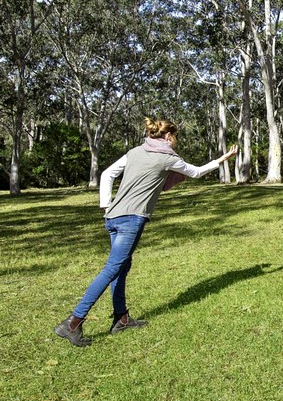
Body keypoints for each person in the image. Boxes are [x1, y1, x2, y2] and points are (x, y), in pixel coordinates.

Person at [54, 117, 238, 347]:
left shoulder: (134, 152)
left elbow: (107, 174)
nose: (176, 142)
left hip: (112, 217)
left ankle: (121, 319)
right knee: (112, 268)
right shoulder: (167, 157)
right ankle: (72, 323)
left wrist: (105, 204)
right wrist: (222, 159)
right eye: (176, 138)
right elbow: (197, 172)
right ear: (169, 137)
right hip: (132, 219)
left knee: (121, 267)